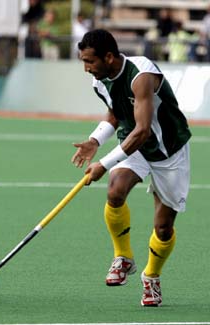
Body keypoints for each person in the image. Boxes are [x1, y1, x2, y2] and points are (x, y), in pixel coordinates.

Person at [72, 29, 191, 307]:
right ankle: (123, 257)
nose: (86, 69)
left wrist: (103, 163)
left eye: (90, 62)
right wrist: (95, 140)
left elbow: (143, 131)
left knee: (163, 228)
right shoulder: (100, 81)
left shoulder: (142, 75)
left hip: (168, 149)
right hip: (132, 143)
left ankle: (151, 277)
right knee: (115, 192)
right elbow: (116, 113)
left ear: (109, 56)